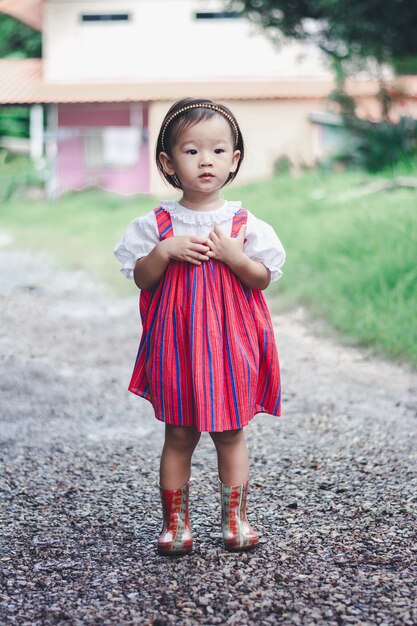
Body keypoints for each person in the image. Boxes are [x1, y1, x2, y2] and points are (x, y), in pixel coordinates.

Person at [114, 97, 286, 556]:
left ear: (234, 160)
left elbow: (261, 279)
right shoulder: (157, 225)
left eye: (216, 150)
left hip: (231, 347)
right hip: (179, 348)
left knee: (230, 432)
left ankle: (236, 520)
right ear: (168, 163)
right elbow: (143, 280)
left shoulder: (247, 225)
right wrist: (164, 252)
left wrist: (236, 256)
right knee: (179, 433)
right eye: (191, 151)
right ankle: (175, 524)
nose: (204, 160)